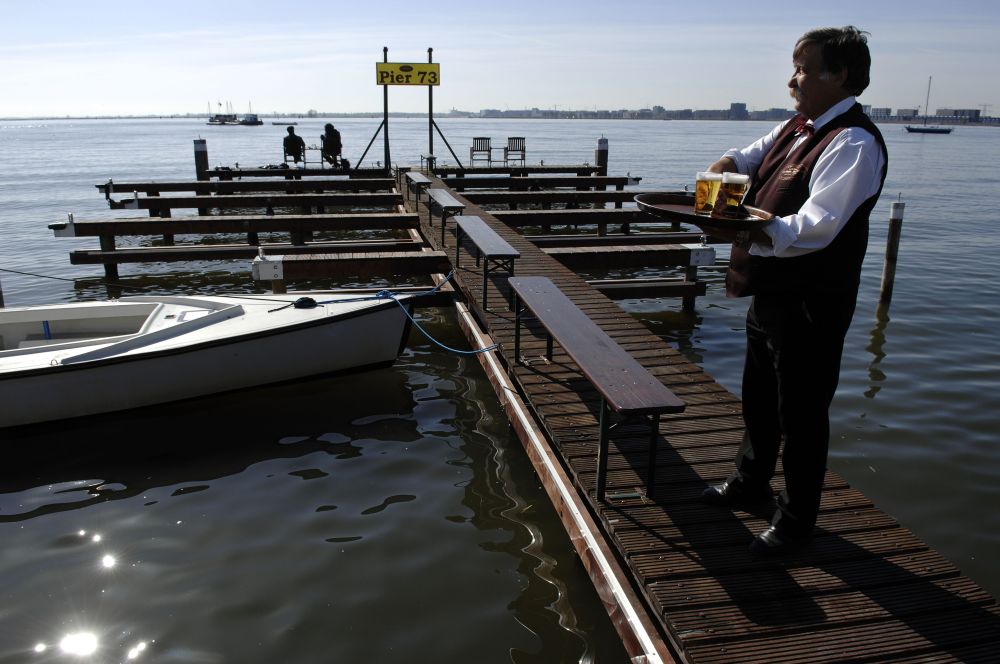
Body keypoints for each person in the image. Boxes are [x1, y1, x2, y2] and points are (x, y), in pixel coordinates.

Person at [699, 26, 889, 557]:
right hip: (771, 294)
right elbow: (745, 158)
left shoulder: (852, 141)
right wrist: (722, 170)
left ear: (840, 75)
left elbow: (815, 227)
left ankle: (796, 520)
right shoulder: (799, 127)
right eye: (795, 65)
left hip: (812, 302)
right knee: (759, 399)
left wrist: (749, 225)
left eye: (804, 68)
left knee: (802, 415)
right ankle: (749, 482)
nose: (792, 79)